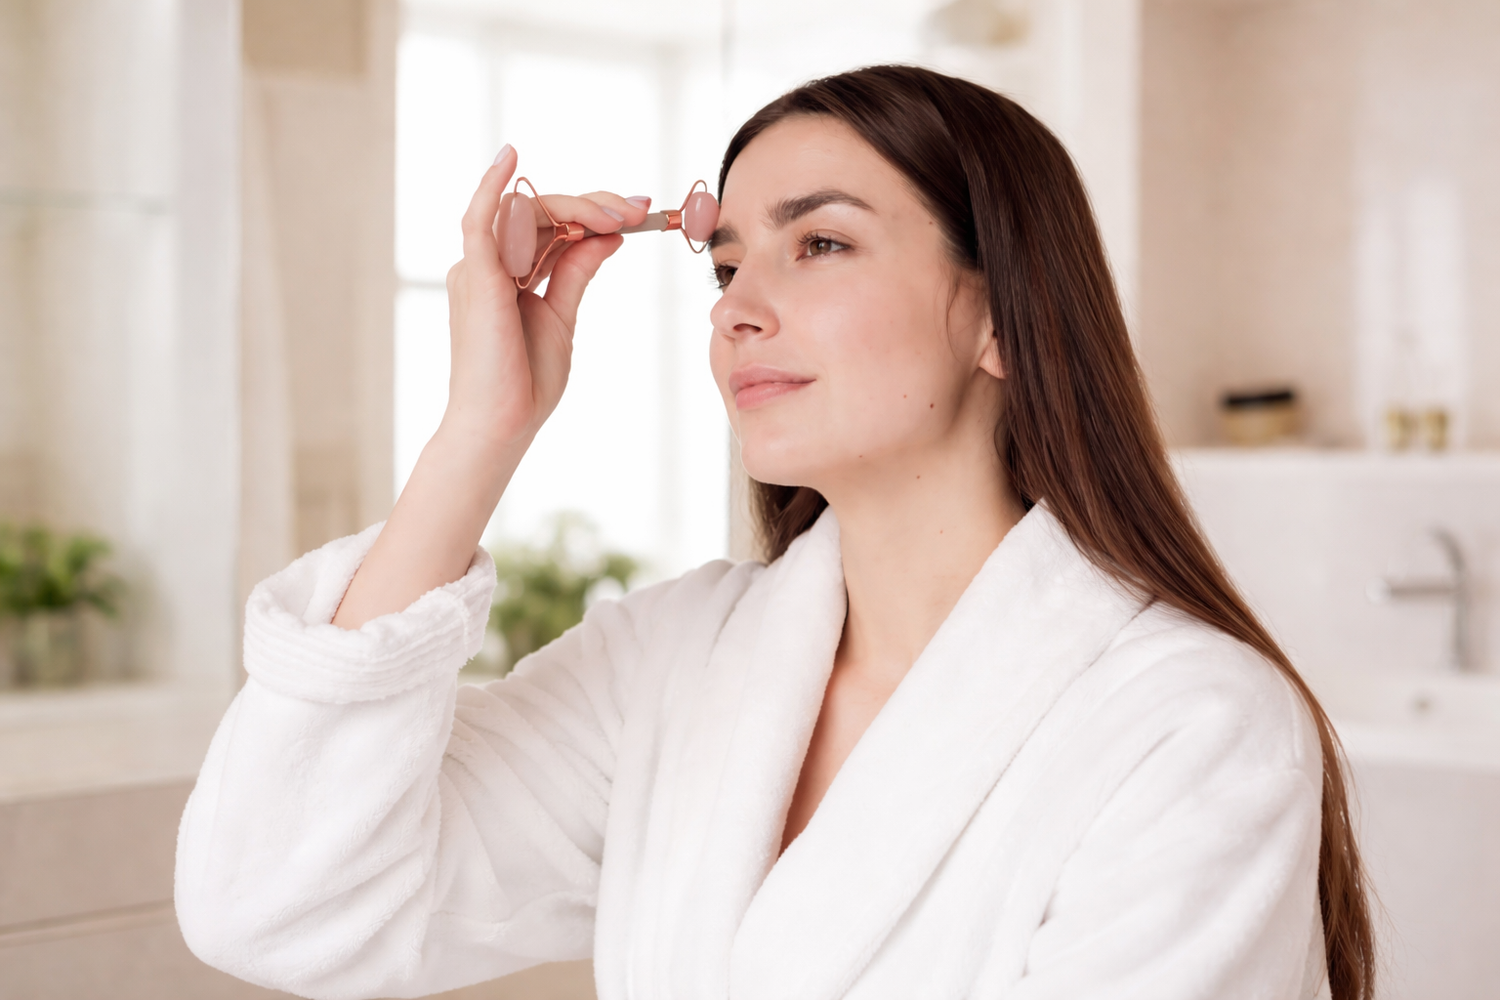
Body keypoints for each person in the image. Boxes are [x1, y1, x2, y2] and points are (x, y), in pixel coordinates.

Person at [176, 65, 1374, 1000]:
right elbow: (273, 898)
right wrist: (478, 433)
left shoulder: (1190, 731)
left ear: (1000, 320)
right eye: (727, 263)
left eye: (821, 244)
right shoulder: (680, 665)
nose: (742, 307)